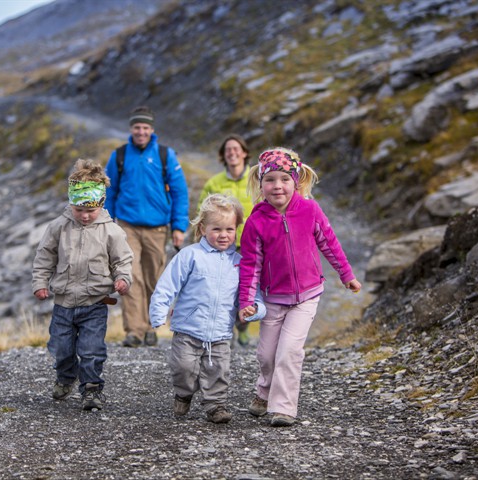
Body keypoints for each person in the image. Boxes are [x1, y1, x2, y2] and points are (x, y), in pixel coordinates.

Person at [238, 147, 362, 427]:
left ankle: (282, 407)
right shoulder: (256, 221)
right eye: (270, 180)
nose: (277, 186)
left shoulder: (309, 209)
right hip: (272, 299)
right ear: (261, 184)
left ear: (296, 181)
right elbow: (250, 265)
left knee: (289, 351)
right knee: (266, 354)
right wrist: (246, 300)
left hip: (306, 296)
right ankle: (264, 390)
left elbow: (329, 243)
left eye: (284, 179)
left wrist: (346, 275)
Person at [149, 194, 266, 424]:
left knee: (218, 371)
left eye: (230, 229)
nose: (224, 235)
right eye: (217, 229)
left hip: (221, 331)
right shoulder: (191, 255)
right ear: (203, 228)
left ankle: (215, 405)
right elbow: (167, 285)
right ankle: (183, 393)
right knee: (183, 367)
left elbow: (254, 294)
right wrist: (158, 312)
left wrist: (255, 309)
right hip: (188, 329)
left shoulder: (240, 263)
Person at [32, 158, 133, 411]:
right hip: (64, 303)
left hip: (95, 303)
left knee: (91, 350)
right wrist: (40, 282)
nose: (85, 216)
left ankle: (91, 389)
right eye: (79, 210)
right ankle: (66, 377)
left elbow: (123, 260)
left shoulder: (112, 231)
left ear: (100, 203)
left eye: (90, 210)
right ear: (71, 203)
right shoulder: (58, 227)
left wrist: (123, 278)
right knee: (61, 347)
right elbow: (45, 256)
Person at [105, 106, 189, 348]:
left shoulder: (165, 155)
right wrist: (109, 222)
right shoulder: (119, 156)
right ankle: (134, 331)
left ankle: (153, 327)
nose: (141, 132)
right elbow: (110, 191)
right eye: (136, 127)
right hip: (127, 226)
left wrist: (178, 226)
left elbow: (180, 192)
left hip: (157, 227)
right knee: (131, 276)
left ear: (151, 129)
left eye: (145, 128)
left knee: (155, 278)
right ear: (131, 129)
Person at [198, 133, 253, 346]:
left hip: (250, 244)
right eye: (228, 150)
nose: (232, 153)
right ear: (223, 155)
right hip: (223, 245)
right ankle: (225, 329)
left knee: (247, 287)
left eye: (236, 149)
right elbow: (202, 210)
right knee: (223, 288)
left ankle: (244, 326)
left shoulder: (256, 180)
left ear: (244, 153)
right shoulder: (214, 183)